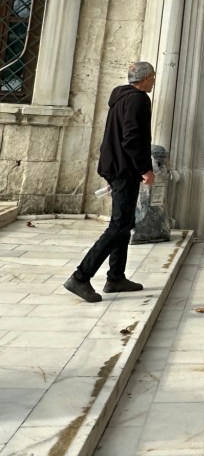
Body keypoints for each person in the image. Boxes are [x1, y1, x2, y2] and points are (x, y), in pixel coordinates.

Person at [63, 61, 156, 303]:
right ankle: (80, 277)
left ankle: (116, 277)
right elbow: (132, 138)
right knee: (118, 226)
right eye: (152, 77)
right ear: (145, 78)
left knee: (124, 223)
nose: (154, 81)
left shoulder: (120, 97)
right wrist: (145, 169)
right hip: (124, 169)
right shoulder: (138, 99)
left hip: (116, 166)